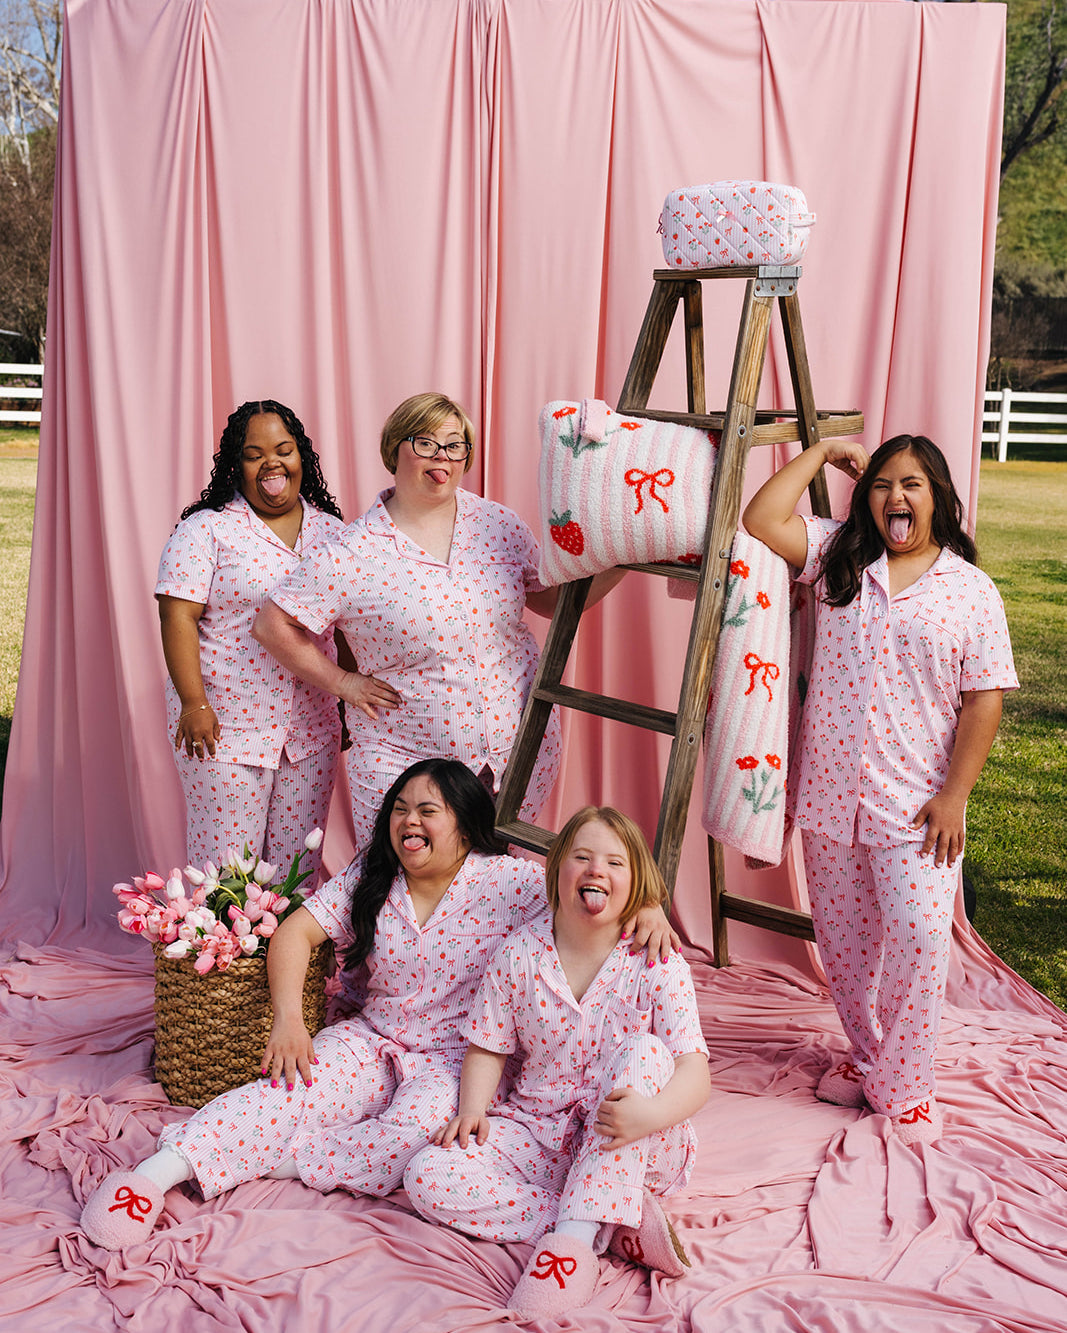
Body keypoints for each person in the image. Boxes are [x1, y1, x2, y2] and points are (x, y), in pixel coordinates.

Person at [79, 762, 676, 1250]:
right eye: (399, 809)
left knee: (414, 1141)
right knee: (284, 1091)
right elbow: (293, 934)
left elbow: (589, 889)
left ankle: (265, 1158)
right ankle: (153, 1178)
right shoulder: (374, 874)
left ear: (465, 828)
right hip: (371, 1038)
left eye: (427, 811)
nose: (408, 821)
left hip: (457, 1062)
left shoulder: (510, 883)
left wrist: (648, 907)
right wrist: (290, 1021)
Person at [742, 434, 1018, 1145]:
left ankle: (906, 1087)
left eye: (913, 485)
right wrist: (823, 449)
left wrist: (955, 794)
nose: (896, 497)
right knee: (846, 948)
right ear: (866, 497)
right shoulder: (841, 556)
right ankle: (870, 1061)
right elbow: (760, 518)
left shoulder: (968, 589)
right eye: (882, 484)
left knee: (921, 938)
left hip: (916, 801)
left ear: (938, 497)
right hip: (829, 796)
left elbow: (982, 699)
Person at [252, 391, 624, 847]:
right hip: (408, 764)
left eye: (454, 444)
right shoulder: (353, 551)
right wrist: (343, 683)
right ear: (395, 450)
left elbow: (548, 601)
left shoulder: (498, 524)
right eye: (425, 442)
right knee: (406, 893)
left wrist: (623, 560)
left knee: (497, 885)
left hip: (517, 752)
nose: (441, 456)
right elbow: (272, 625)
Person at [404, 806, 710, 1319]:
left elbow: (695, 1073)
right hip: (539, 1133)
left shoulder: (658, 963)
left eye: (615, 863)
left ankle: (572, 1240)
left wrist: (651, 1117)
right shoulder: (518, 953)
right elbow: (487, 1046)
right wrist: (473, 1109)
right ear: (557, 870)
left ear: (637, 886)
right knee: (426, 1174)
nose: (596, 871)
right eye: (582, 857)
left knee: (647, 1051)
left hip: (637, 1139)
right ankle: (612, 1221)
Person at [156, 399, 347, 877]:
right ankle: (223, 954)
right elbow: (176, 617)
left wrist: (347, 697)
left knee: (297, 867)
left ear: (302, 456)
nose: (272, 463)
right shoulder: (207, 530)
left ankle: (291, 954)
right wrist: (193, 703)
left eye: (284, 449)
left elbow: (349, 626)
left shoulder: (335, 534)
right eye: (254, 453)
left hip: (311, 730)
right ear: (235, 465)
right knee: (226, 870)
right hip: (225, 727)